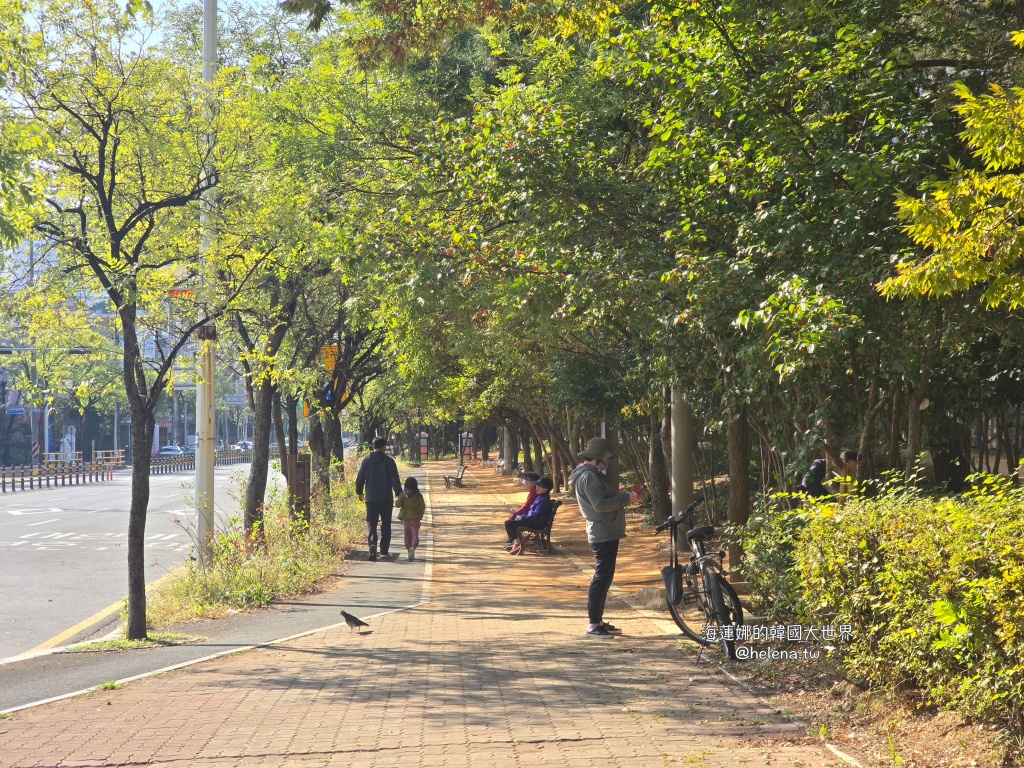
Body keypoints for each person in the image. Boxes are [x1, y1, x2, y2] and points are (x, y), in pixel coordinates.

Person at [568, 437, 642, 639]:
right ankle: (593, 623)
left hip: (606, 530)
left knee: (605, 577)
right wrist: (626, 498)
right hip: (602, 532)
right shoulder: (589, 477)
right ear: (597, 458)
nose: (607, 462)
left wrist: (622, 496)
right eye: (606, 459)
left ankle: (598, 620)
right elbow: (600, 505)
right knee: (601, 578)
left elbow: (602, 499)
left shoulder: (591, 474)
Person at [355, 437, 402, 561]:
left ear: (373, 446)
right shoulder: (389, 461)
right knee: (386, 524)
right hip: (386, 498)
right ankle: (384, 551)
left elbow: (360, 478)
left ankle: (372, 544)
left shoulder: (366, 461)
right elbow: (394, 479)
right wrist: (399, 493)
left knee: (371, 523)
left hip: (371, 497)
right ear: (384, 447)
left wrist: (359, 491)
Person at [504, 476, 554, 554]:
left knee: (509, 524)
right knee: (510, 522)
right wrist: (522, 517)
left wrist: (523, 517)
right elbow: (532, 512)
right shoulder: (541, 497)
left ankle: (518, 542)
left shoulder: (544, 500)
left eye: (539, 486)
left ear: (546, 488)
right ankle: (518, 541)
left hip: (536, 523)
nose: (537, 487)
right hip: (533, 521)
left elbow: (535, 515)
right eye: (537, 485)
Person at [394, 476, 426, 561]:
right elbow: (422, 506)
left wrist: (398, 500)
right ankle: (413, 546)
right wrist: (420, 514)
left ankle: (409, 549)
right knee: (415, 535)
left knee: (407, 535)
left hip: (406, 518)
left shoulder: (403, 495)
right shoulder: (419, 495)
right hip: (415, 518)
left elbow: (397, 504)